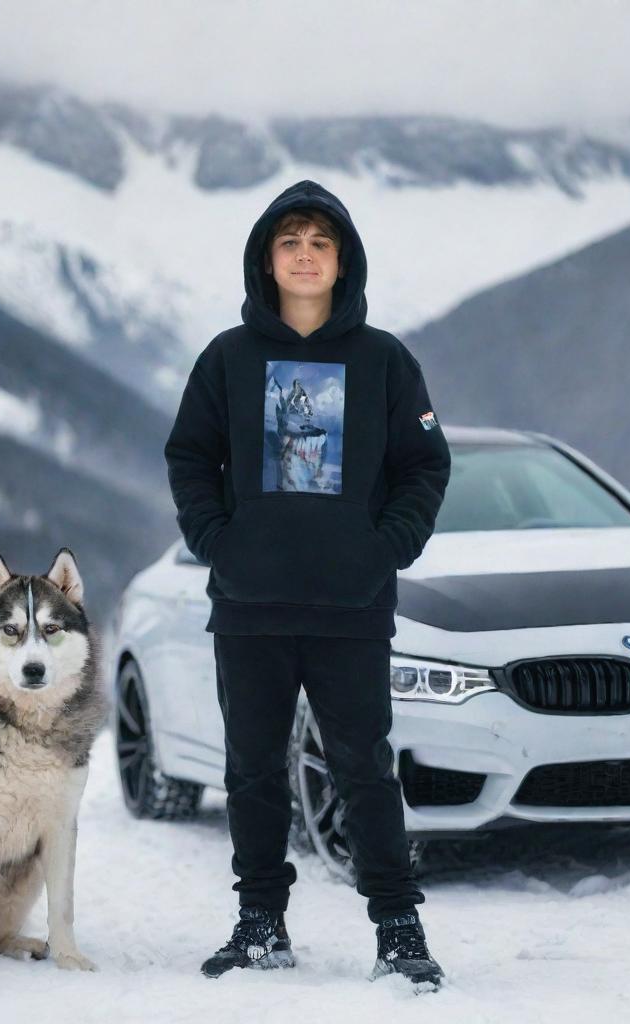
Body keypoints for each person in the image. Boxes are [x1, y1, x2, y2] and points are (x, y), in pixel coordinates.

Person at [163, 179, 451, 990]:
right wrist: (216, 540)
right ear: (267, 259)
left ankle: (398, 928)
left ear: (342, 261)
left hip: (352, 605)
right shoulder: (228, 357)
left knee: (364, 768)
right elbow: (188, 456)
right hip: (249, 605)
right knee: (251, 770)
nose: (304, 255)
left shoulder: (384, 359)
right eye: (289, 241)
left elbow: (425, 465)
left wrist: (386, 546)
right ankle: (260, 925)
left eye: (320, 242)